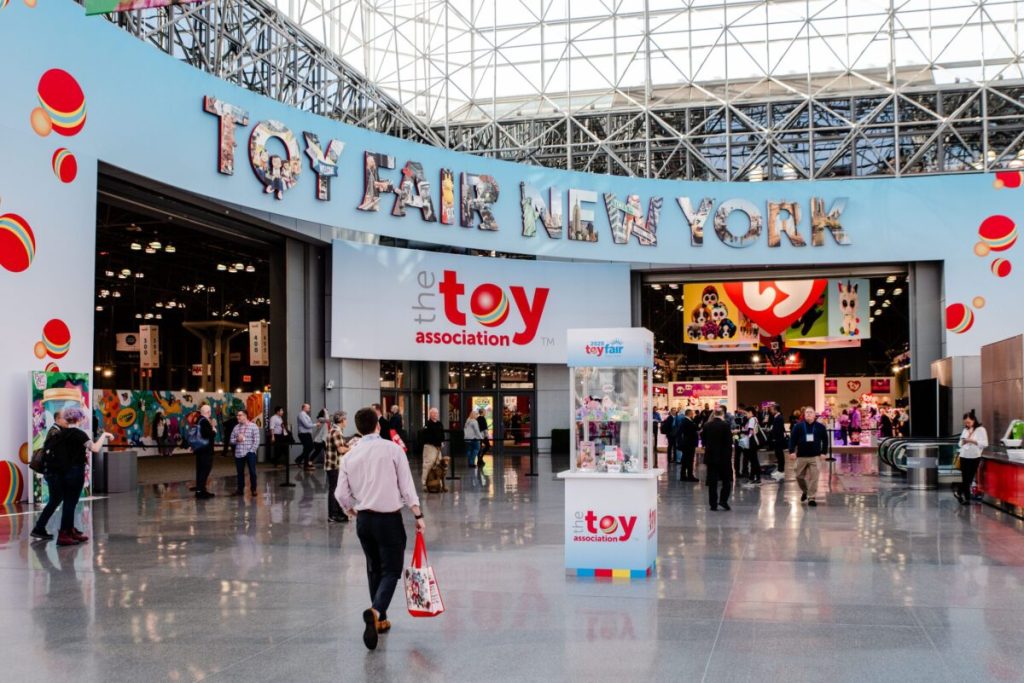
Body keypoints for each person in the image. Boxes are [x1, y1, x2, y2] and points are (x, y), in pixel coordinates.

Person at [334, 407, 425, 651]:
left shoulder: (349, 455)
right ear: (378, 425)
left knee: (374, 567)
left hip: (364, 520)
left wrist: (350, 509)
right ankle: (375, 611)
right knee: (392, 570)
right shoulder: (393, 449)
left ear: (358, 428)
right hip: (389, 520)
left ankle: (381, 620)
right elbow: (406, 486)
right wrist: (418, 514)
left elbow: (340, 493)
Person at [30, 406, 113, 545]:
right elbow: (95, 448)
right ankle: (64, 533)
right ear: (78, 419)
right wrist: (104, 435)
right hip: (74, 472)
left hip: (64, 473)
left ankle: (68, 530)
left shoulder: (61, 434)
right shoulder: (78, 434)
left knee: (68, 502)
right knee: (70, 503)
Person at [789, 407, 829, 507]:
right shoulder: (798, 426)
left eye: (811, 412)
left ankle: (811, 498)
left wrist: (824, 452)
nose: (809, 414)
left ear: (814, 415)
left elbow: (825, 440)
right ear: (804, 414)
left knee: (814, 478)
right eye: (807, 412)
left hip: (815, 457)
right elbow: (792, 439)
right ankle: (806, 491)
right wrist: (791, 451)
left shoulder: (820, 427)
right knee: (798, 476)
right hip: (801, 456)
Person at [701, 407, 733, 511]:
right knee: (726, 481)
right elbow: (729, 442)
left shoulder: (707, 425)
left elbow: (704, 441)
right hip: (724, 458)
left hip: (710, 457)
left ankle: (713, 504)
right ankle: (723, 501)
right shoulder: (725, 425)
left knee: (712, 482)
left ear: (714, 414)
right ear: (723, 414)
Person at [954, 410, 988, 505]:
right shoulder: (965, 430)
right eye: (965, 423)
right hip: (964, 455)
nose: (967, 424)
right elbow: (959, 444)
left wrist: (973, 441)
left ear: (974, 420)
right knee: (965, 478)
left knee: (969, 478)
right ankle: (966, 498)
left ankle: (959, 492)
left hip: (974, 456)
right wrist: (964, 441)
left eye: (969, 422)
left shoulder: (981, 430)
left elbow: (985, 443)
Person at [323, 411, 352, 521]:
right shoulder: (336, 432)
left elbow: (341, 445)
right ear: (341, 420)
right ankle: (333, 515)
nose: (346, 421)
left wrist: (348, 445)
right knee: (334, 490)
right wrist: (352, 448)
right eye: (345, 419)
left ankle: (338, 512)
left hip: (334, 465)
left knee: (336, 489)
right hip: (334, 465)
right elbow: (341, 449)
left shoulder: (336, 431)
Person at [229, 409, 261, 497]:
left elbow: (257, 441)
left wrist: (251, 451)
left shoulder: (253, 426)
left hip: (250, 453)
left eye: (240, 415)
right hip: (239, 453)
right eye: (237, 415)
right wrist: (236, 440)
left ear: (245, 416)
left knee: (252, 472)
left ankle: (253, 489)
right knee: (240, 473)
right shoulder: (236, 427)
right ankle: (240, 490)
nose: (237, 417)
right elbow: (231, 440)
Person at [193, 405, 216, 499]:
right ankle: (201, 491)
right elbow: (208, 434)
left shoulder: (198, 420)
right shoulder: (204, 422)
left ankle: (200, 490)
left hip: (200, 450)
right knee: (205, 470)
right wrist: (214, 430)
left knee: (200, 470)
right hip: (205, 451)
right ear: (208, 412)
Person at [421, 407, 445, 488]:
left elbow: (442, 435)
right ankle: (425, 483)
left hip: (438, 448)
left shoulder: (439, 424)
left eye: (436, 413)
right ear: (430, 414)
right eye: (434, 413)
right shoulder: (427, 425)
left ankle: (439, 483)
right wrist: (435, 443)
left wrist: (442, 442)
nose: (435, 415)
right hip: (430, 447)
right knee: (428, 464)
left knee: (438, 465)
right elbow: (426, 437)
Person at [677, 409, 699, 482]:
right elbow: (693, 430)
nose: (693, 414)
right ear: (689, 414)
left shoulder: (685, 421)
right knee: (689, 460)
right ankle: (689, 476)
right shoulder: (687, 422)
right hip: (689, 444)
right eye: (692, 413)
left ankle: (683, 475)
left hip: (687, 444)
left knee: (685, 459)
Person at [742, 406, 762, 485]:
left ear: (750, 412)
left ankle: (757, 477)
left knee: (754, 461)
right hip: (753, 442)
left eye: (746, 413)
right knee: (754, 460)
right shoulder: (755, 419)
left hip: (752, 442)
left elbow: (750, 432)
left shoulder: (752, 419)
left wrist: (742, 432)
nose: (745, 415)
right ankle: (753, 477)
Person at [769, 403, 787, 480]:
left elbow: (779, 430)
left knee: (780, 455)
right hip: (777, 439)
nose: (771, 410)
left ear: (776, 409)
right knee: (778, 454)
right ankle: (780, 470)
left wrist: (775, 437)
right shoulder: (776, 417)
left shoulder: (779, 418)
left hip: (778, 439)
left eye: (772, 409)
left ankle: (781, 471)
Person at [295, 402, 315, 467]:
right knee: (310, 447)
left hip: (307, 434)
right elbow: (306, 425)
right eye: (308, 407)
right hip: (304, 434)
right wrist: (315, 424)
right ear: (304, 408)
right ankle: (299, 459)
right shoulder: (301, 415)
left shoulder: (306, 415)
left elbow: (309, 424)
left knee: (306, 448)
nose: (309, 408)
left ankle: (306, 464)